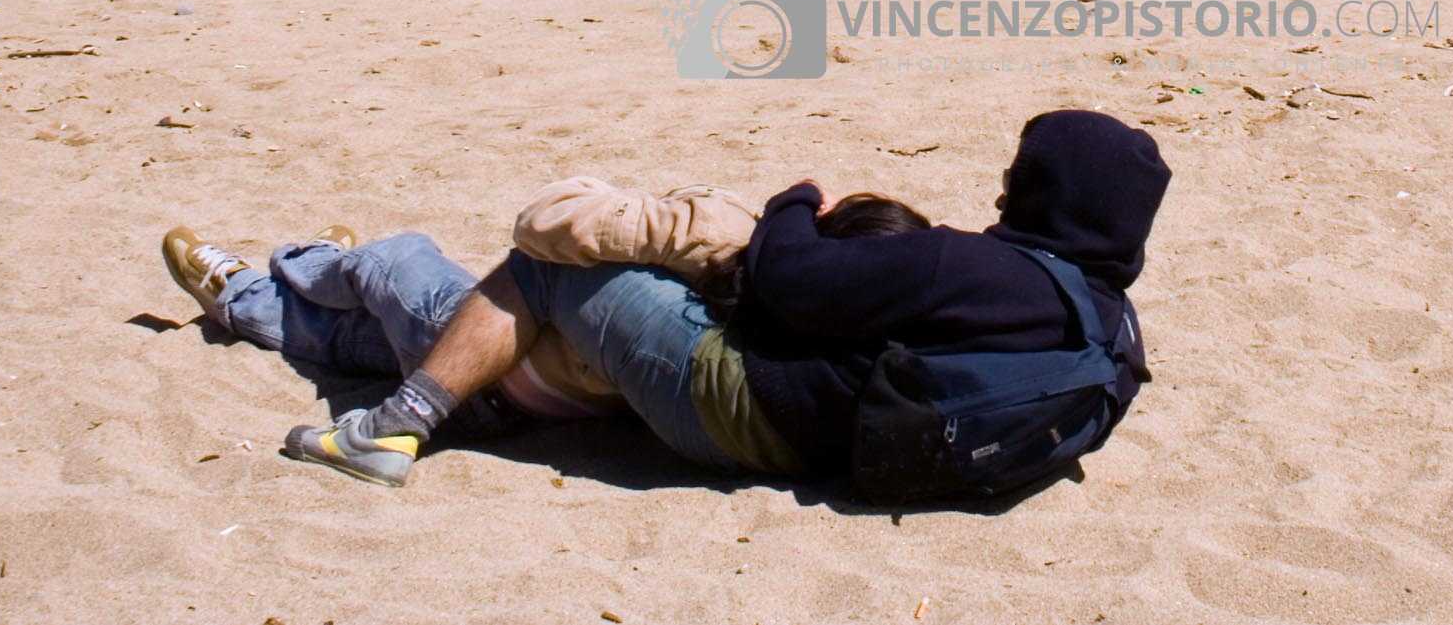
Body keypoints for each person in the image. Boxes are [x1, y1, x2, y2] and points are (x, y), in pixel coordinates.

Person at [272, 109, 1169, 491]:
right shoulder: (1115, 328)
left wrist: (794, 203)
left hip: (741, 415)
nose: (1005, 193)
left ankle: (397, 423)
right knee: (521, 326)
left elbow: (791, 280)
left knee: (548, 271)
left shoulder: (977, 269)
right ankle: (277, 301)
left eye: (1019, 179)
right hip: (852, 449)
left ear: (1054, 192)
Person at [157, 180, 931, 457]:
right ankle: (243, 300)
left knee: (389, 261)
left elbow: (545, 223)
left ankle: (293, 262)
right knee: (354, 339)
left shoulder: (733, 242)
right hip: (536, 401)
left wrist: (690, 212)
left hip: (482, 364)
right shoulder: (816, 341)